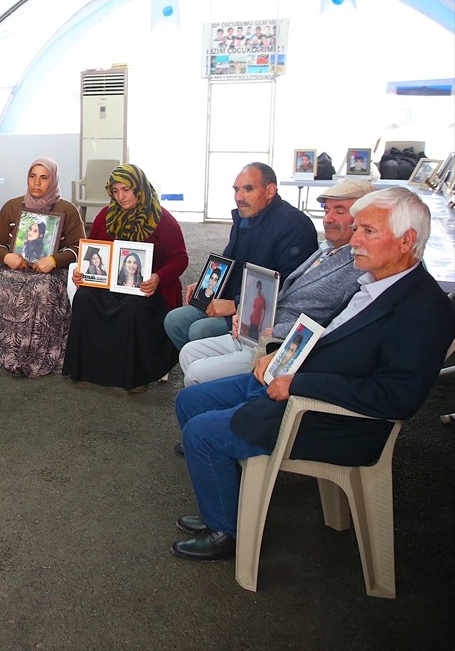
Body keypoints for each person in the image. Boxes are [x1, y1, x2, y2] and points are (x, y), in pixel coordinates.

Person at [170, 187, 454, 561]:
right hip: (299, 381)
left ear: (407, 241)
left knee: (201, 433)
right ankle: (229, 500)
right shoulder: (375, 281)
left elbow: (397, 398)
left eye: (368, 231)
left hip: (332, 418)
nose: (354, 239)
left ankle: (226, 531)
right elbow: (328, 336)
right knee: (190, 401)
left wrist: (298, 383)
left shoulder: (424, 310)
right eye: (358, 228)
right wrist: (281, 356)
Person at [178, 179, 373, 388]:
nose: (328, 219)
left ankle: (222, 401)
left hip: (282, 344)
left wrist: (247, 312)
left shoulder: (359, 262)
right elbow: (234, 263)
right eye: (326, 210)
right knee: (188, 352)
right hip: (257, 325)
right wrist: (240, 309)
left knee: (197, 368)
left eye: (339, 211)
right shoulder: (326, 248)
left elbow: (333, 323)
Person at [164, 162, 317, 349]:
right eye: (236, 190)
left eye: (248, 189)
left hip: (264, 312)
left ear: (270, 191)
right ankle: (200, 362)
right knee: (174, 320)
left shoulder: (295, 226)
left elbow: (290, 286)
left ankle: (221, 363)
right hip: (234, 296)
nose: (239, 197)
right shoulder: (245, 217)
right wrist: (208, 283)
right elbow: (230, 260)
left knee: (200, 330)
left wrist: (236, 305)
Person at [63, 164, 187, 392]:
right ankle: (90, 367)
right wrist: (83, 272)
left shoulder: (162, 219)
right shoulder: (106, 216)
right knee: (85, 297)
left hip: (148, 288)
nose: (120, 197)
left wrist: (158, 277)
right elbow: (93, 249)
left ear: (139, 188)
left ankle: (136, 375)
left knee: (133, 306)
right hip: (109, 283)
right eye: (115, 191)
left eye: (126, 190)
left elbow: (180, 258)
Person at [0, 157, 85, 378]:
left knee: (41, 289)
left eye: (44, 178)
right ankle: (6, 353)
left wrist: (54, 260)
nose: (36, 183)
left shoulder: (67, 210)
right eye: (32, 176)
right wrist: (6, 256)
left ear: (53, 180)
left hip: (51, 273)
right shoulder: (12, 207)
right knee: (1, 283)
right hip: (15, 268)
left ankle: (38, 358)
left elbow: (79, 247)